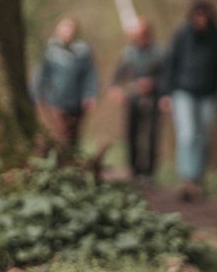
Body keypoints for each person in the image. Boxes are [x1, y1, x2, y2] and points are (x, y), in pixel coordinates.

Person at [160, 0, 217, 201]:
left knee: (202, 137)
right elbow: (170, 64)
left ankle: (197, 179)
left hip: (209, 94)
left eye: (205, 16)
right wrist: (166, 93)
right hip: (183, 92)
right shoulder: (182, 35)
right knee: (187, 135)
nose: (201, 20)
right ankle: (187, 179)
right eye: (198, 16)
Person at [31, 17, 98, 154]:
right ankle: (62, 161)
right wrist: (37, 95)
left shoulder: (83, 52)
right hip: (57, 100)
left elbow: (90, 74)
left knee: (75, 135)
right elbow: (42, 74)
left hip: (78, 101)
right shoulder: (50, 52)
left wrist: (90, 94)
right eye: (64, 30)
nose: (67, 33)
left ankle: (73, 163)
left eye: (70, 30)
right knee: (62, 134)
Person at [108, 16, 164, 180]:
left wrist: (154, 84)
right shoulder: (128, 53)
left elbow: (167, 76)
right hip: (133, 98)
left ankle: (149, 173)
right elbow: (117, 75)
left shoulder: (159, 52)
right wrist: (116, 88)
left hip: (154, 99)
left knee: (152, 136)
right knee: (131, 134)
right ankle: (134, 170)